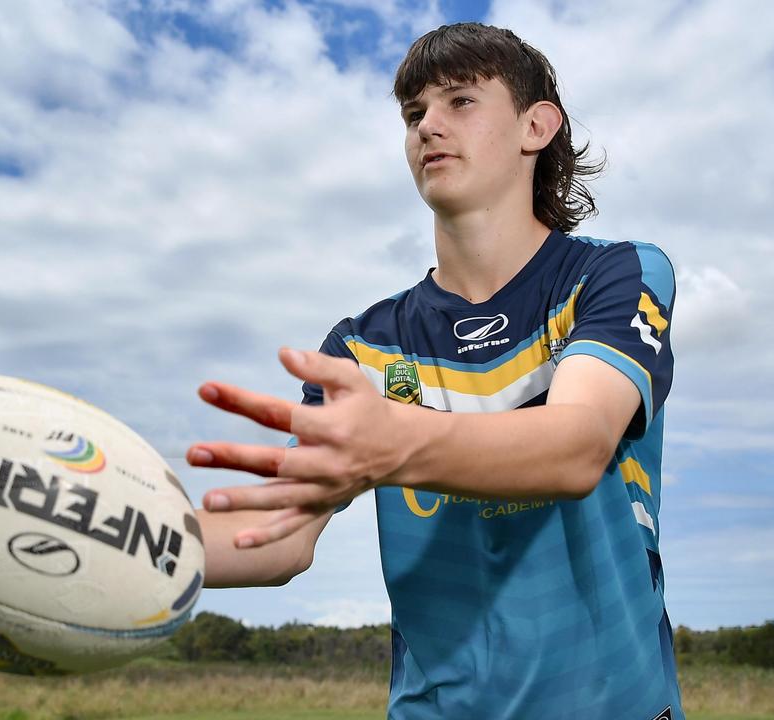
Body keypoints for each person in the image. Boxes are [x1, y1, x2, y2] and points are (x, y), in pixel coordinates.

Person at [187, 23, 683, 719]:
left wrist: (393, 442)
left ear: (536, 125)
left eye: (460, 101)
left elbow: (578, 447)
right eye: (414, 114)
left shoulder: (613, 274)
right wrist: (119, 535)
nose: (428, 127)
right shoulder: (363, 346)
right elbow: (279, 542)